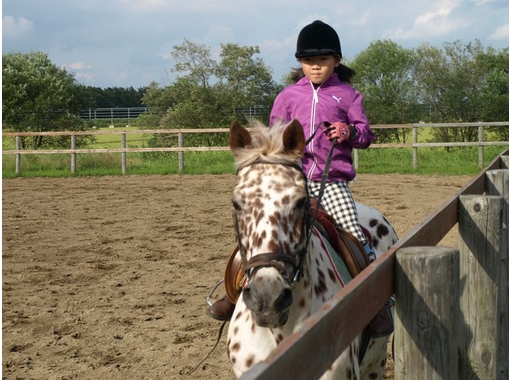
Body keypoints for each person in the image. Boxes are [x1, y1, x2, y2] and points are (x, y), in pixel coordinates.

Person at [206, 20, 393, 338]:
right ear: (300, 62)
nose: (315, 66)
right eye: (309, 61)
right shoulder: (287, 97)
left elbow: (366, 134)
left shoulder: (348, 96)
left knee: (354, 236)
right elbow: (272, 139)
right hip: (288, 180)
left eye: (322, 60)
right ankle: (234, 293)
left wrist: (348, 132)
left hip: (331, 182)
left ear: (336, 60)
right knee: (258, 234)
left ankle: (375, 305)